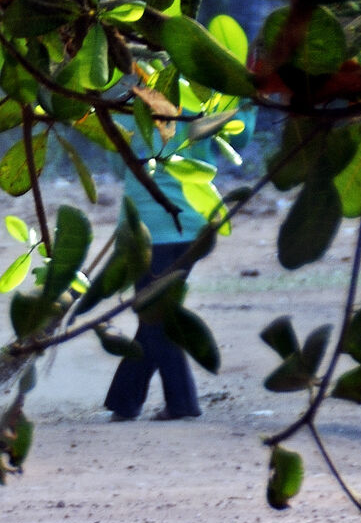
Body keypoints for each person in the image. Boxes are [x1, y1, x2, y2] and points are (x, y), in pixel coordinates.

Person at [104, 102, 254, 424]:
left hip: (151, 230)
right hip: (192, 227)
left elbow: (107, 134)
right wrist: (247, 102)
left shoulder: (132, 102)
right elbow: (241, 136)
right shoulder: (204, 101)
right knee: (155, 316)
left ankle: (180, 402)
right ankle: (124, 401)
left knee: (155, 317)